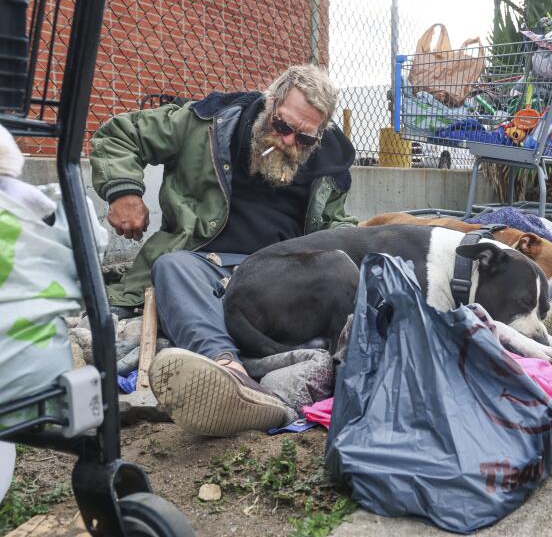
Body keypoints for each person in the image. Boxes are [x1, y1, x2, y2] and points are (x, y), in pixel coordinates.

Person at [90, 65, 356, 436]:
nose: (289, 142)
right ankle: (230, 371)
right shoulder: (207, 123)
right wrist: (123, 190)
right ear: (269, 102)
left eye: (304, 139)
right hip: (204, 264)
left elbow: (333, 227)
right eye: (282, 126)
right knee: (170, 268)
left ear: (320, 135)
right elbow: (120, 134)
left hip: (281, 282)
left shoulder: (328, 164)